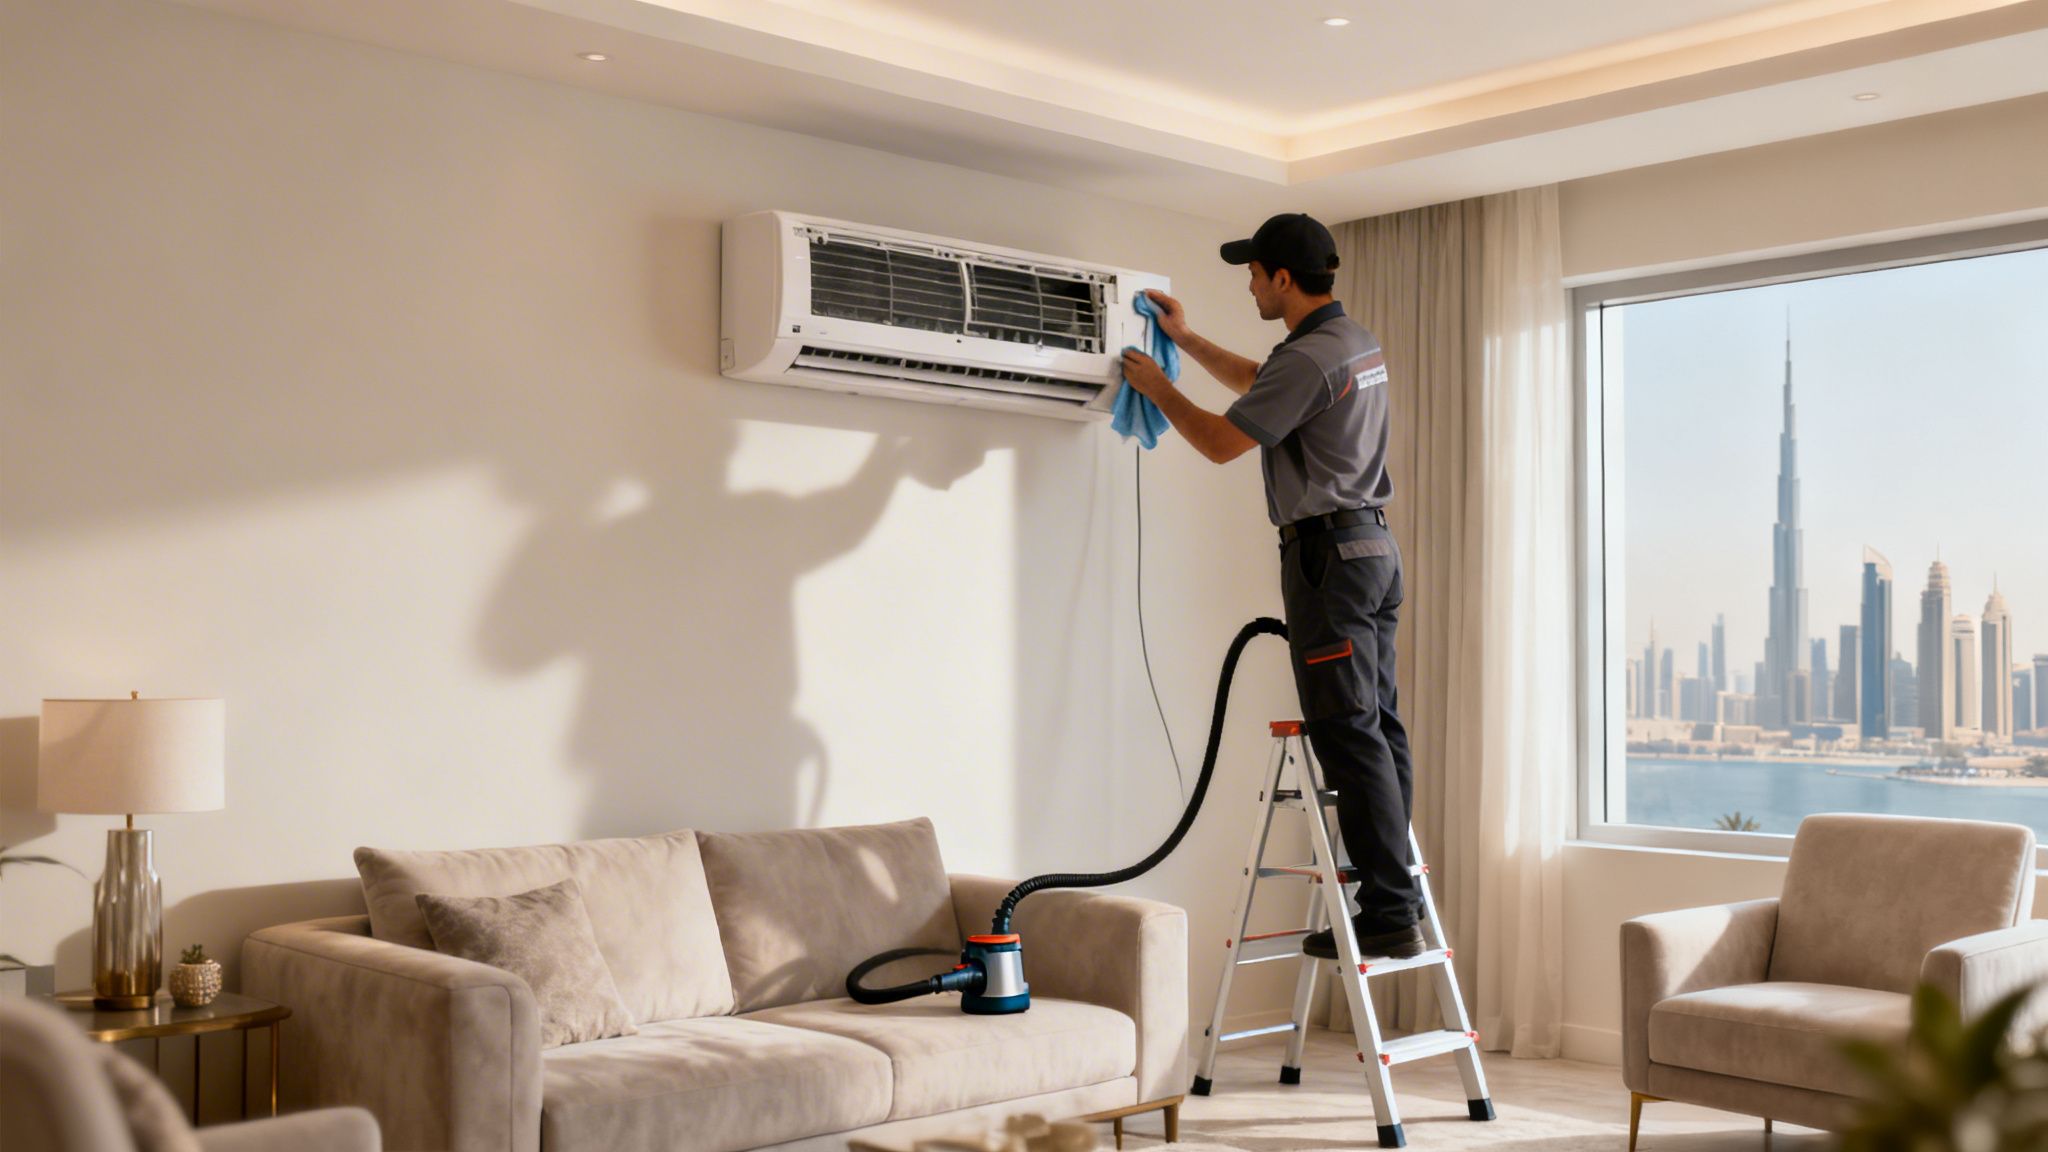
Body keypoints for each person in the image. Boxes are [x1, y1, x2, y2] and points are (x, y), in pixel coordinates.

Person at [1120, 212, 1421, 960]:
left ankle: (1389, 910)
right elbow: (1263, 385)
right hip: (1372, 550)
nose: (1250, 286)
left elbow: (1222, 442)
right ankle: (1396, 895)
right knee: (1376, 726)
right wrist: (1188, 341)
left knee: (1347, 732)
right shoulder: (1348, 342)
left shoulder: (1310, 358)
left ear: (1283, 277)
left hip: (1329, 561)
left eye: (1254, 274)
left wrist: (1159, 387)